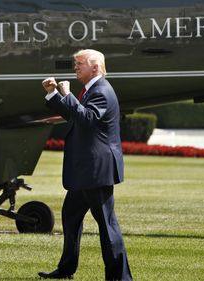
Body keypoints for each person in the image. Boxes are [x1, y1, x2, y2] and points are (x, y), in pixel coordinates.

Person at [38, 49, 132, 281]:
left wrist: (67, 94)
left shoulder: (102, 90)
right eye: (75, 63)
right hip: (86, 169)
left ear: (95, 67)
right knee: (71, 215)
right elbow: (74, 115)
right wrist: (53, 94)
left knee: (107, 224)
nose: (75, 67)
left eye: (80, 63)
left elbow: (87, 119)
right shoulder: (92, 89)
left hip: (96, 169)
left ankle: (120, 278)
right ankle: (66, 269)